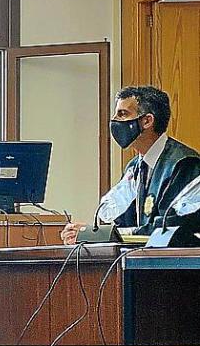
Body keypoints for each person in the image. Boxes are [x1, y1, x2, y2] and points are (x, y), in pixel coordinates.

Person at [61, 86, 200, 244]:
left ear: (147, 121)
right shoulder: (134, 168)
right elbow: (123, 222)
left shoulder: (183, 164)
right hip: (140, 257)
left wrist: (100, 234)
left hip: (175, 258)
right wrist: (89, 234)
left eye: (122, 114)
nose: (114, 120)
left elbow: (169, 228)